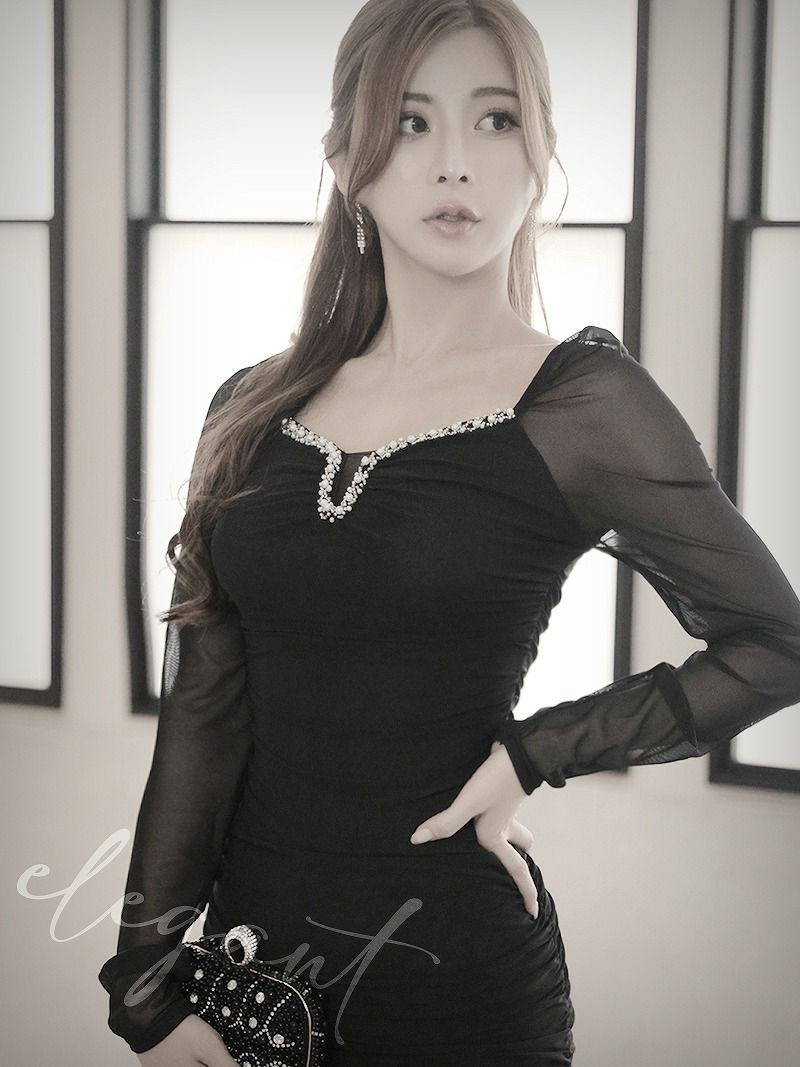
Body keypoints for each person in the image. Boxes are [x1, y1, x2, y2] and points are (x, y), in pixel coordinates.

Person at [97, 1, 800, 1064]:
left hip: (459, 983)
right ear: (348, 158)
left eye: (496, 119)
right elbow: (202, 708)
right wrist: (147, 982)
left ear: (539, 155)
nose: (455, 162)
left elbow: (773, 641)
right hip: (251, 986)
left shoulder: (585, 404)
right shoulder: (248, 406)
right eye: (411, 121)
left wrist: (535, 752)